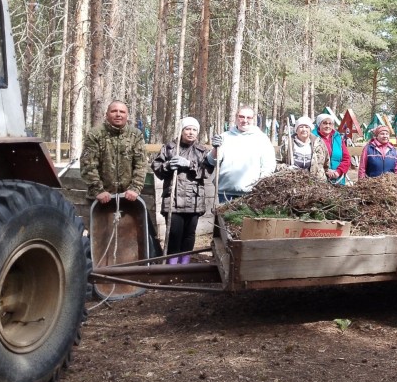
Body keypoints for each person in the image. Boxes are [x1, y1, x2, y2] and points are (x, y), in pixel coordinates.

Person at [151, 117, 214, 264]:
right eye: (187, 129)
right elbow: (157, 168)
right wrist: (167, 166)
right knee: (173, 233)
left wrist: (189, 164)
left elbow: (206, 172)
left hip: (194, 199)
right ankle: (172, 265)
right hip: (172, 199)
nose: (191, 132)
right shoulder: (169, 148)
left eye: (194, 130)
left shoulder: (202, 151)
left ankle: (184, 264)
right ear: (181, 130)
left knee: (189, 235)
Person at [81, 100, 148, 204]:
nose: (118, 114)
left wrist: (135, 189)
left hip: (129, 197)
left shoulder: (136, 135)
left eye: (122, 112)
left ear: (127, 115)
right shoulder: (95, 134)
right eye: (114, 111)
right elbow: (88, 164)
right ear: (106, 115)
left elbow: (141, 164)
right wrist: (98, 191)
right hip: (100, 199)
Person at [208, 106, 276, 203]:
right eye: (241, 117)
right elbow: (212, 161)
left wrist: (260, 185)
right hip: (226, 193)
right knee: (224, 218)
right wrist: (215, 148)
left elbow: (268, 165)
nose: (245, 120)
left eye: (249, 117)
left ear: (253, 119)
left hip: (251, 194)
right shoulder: (224, 137)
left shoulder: (262, 139)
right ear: (236, 118)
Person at [280, 115, 328, 181]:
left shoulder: (318, 144)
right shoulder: (287, 144)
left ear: (310, 129)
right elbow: (278, 163)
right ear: (296, 130)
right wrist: (287, 168)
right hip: (292, 182)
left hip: (316, 182)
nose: (304, 129)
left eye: (306, 127)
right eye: (301, 127)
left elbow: (326, 162)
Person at [315, 113, 351, 184]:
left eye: (330, 123)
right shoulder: (313, 137)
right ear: (319, 124)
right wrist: (326, 171)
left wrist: (338, 171)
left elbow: (346, 158)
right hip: (319, 179)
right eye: (325, 123)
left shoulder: (338, 138)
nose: (328, 126)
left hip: (338, 179)